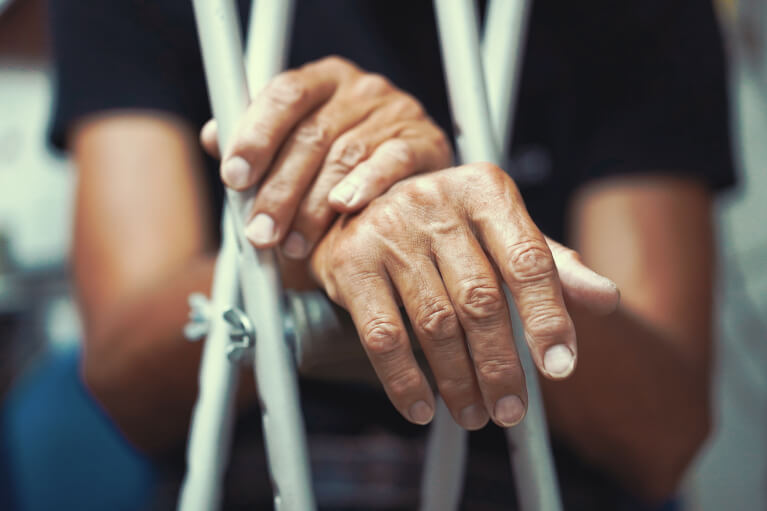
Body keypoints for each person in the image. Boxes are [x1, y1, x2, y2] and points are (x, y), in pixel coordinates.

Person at [47, 0, 735, 509]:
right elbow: (126, 378)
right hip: (255, 472)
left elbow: (663, 433)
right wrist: (319, 223)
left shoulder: (636, 15)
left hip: (541, 480)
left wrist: (455, 235)